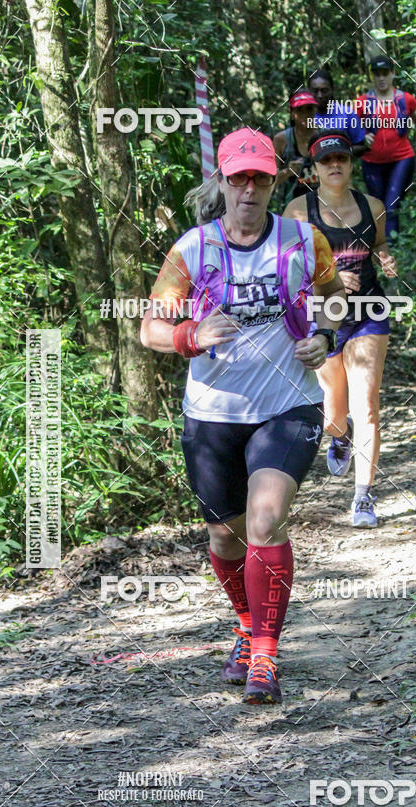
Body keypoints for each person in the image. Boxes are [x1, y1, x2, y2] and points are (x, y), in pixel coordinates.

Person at [141, 128, 344, 704]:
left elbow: (333, 298)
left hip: (288, 404)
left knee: (265, 521)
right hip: (212, 413)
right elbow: (149, 328)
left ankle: (264, 655)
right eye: (239, 178)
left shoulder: (304, 240)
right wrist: (190, 334)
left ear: (274, 180)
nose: (249, 188)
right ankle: (246, 622)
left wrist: (324, 336)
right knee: (225, 538)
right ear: (223, 182)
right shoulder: (193, 250)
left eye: (260, 177)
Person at [283, 131, 398, 527]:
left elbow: (378, 244)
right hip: (322, 317)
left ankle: (364, 497)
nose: (335, 166)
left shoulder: (373, 206)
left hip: (368, 312)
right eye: (326, 161)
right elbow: (285, 273)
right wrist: (326, 280)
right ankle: (340, 432)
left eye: (341, 160)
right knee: (333, 412)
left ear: (351, 164)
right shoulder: (297, 212)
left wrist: (384, 258)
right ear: (314, 169)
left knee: (367, 406)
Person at [354, 55, 416, 240]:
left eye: (385, 74)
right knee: (379, 207)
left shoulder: (406, 99)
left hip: (401, 160)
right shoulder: (362, 102)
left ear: (392, 74)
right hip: (372, 162)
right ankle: (381, 246)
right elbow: (350, 129)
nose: (381, 78)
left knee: (391, 205)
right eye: (377, 74)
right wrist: (362, 137)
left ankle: (394, 250)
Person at [273, 90, 319, 206]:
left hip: (323, 205)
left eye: (309, 109)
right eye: (300, 110)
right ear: (292, 113)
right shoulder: (281, 140)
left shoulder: (324, 136)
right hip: (292, 207)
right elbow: (270, 181)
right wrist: (288, 172)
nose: (305, 114)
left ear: (314, 110)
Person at [309, 67, 367, 151]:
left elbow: (361, 146)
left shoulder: (346, 114)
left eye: (324, 90)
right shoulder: (303, 117)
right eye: (315, 91)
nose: (320, 95)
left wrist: (342, 151)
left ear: (332, 90)